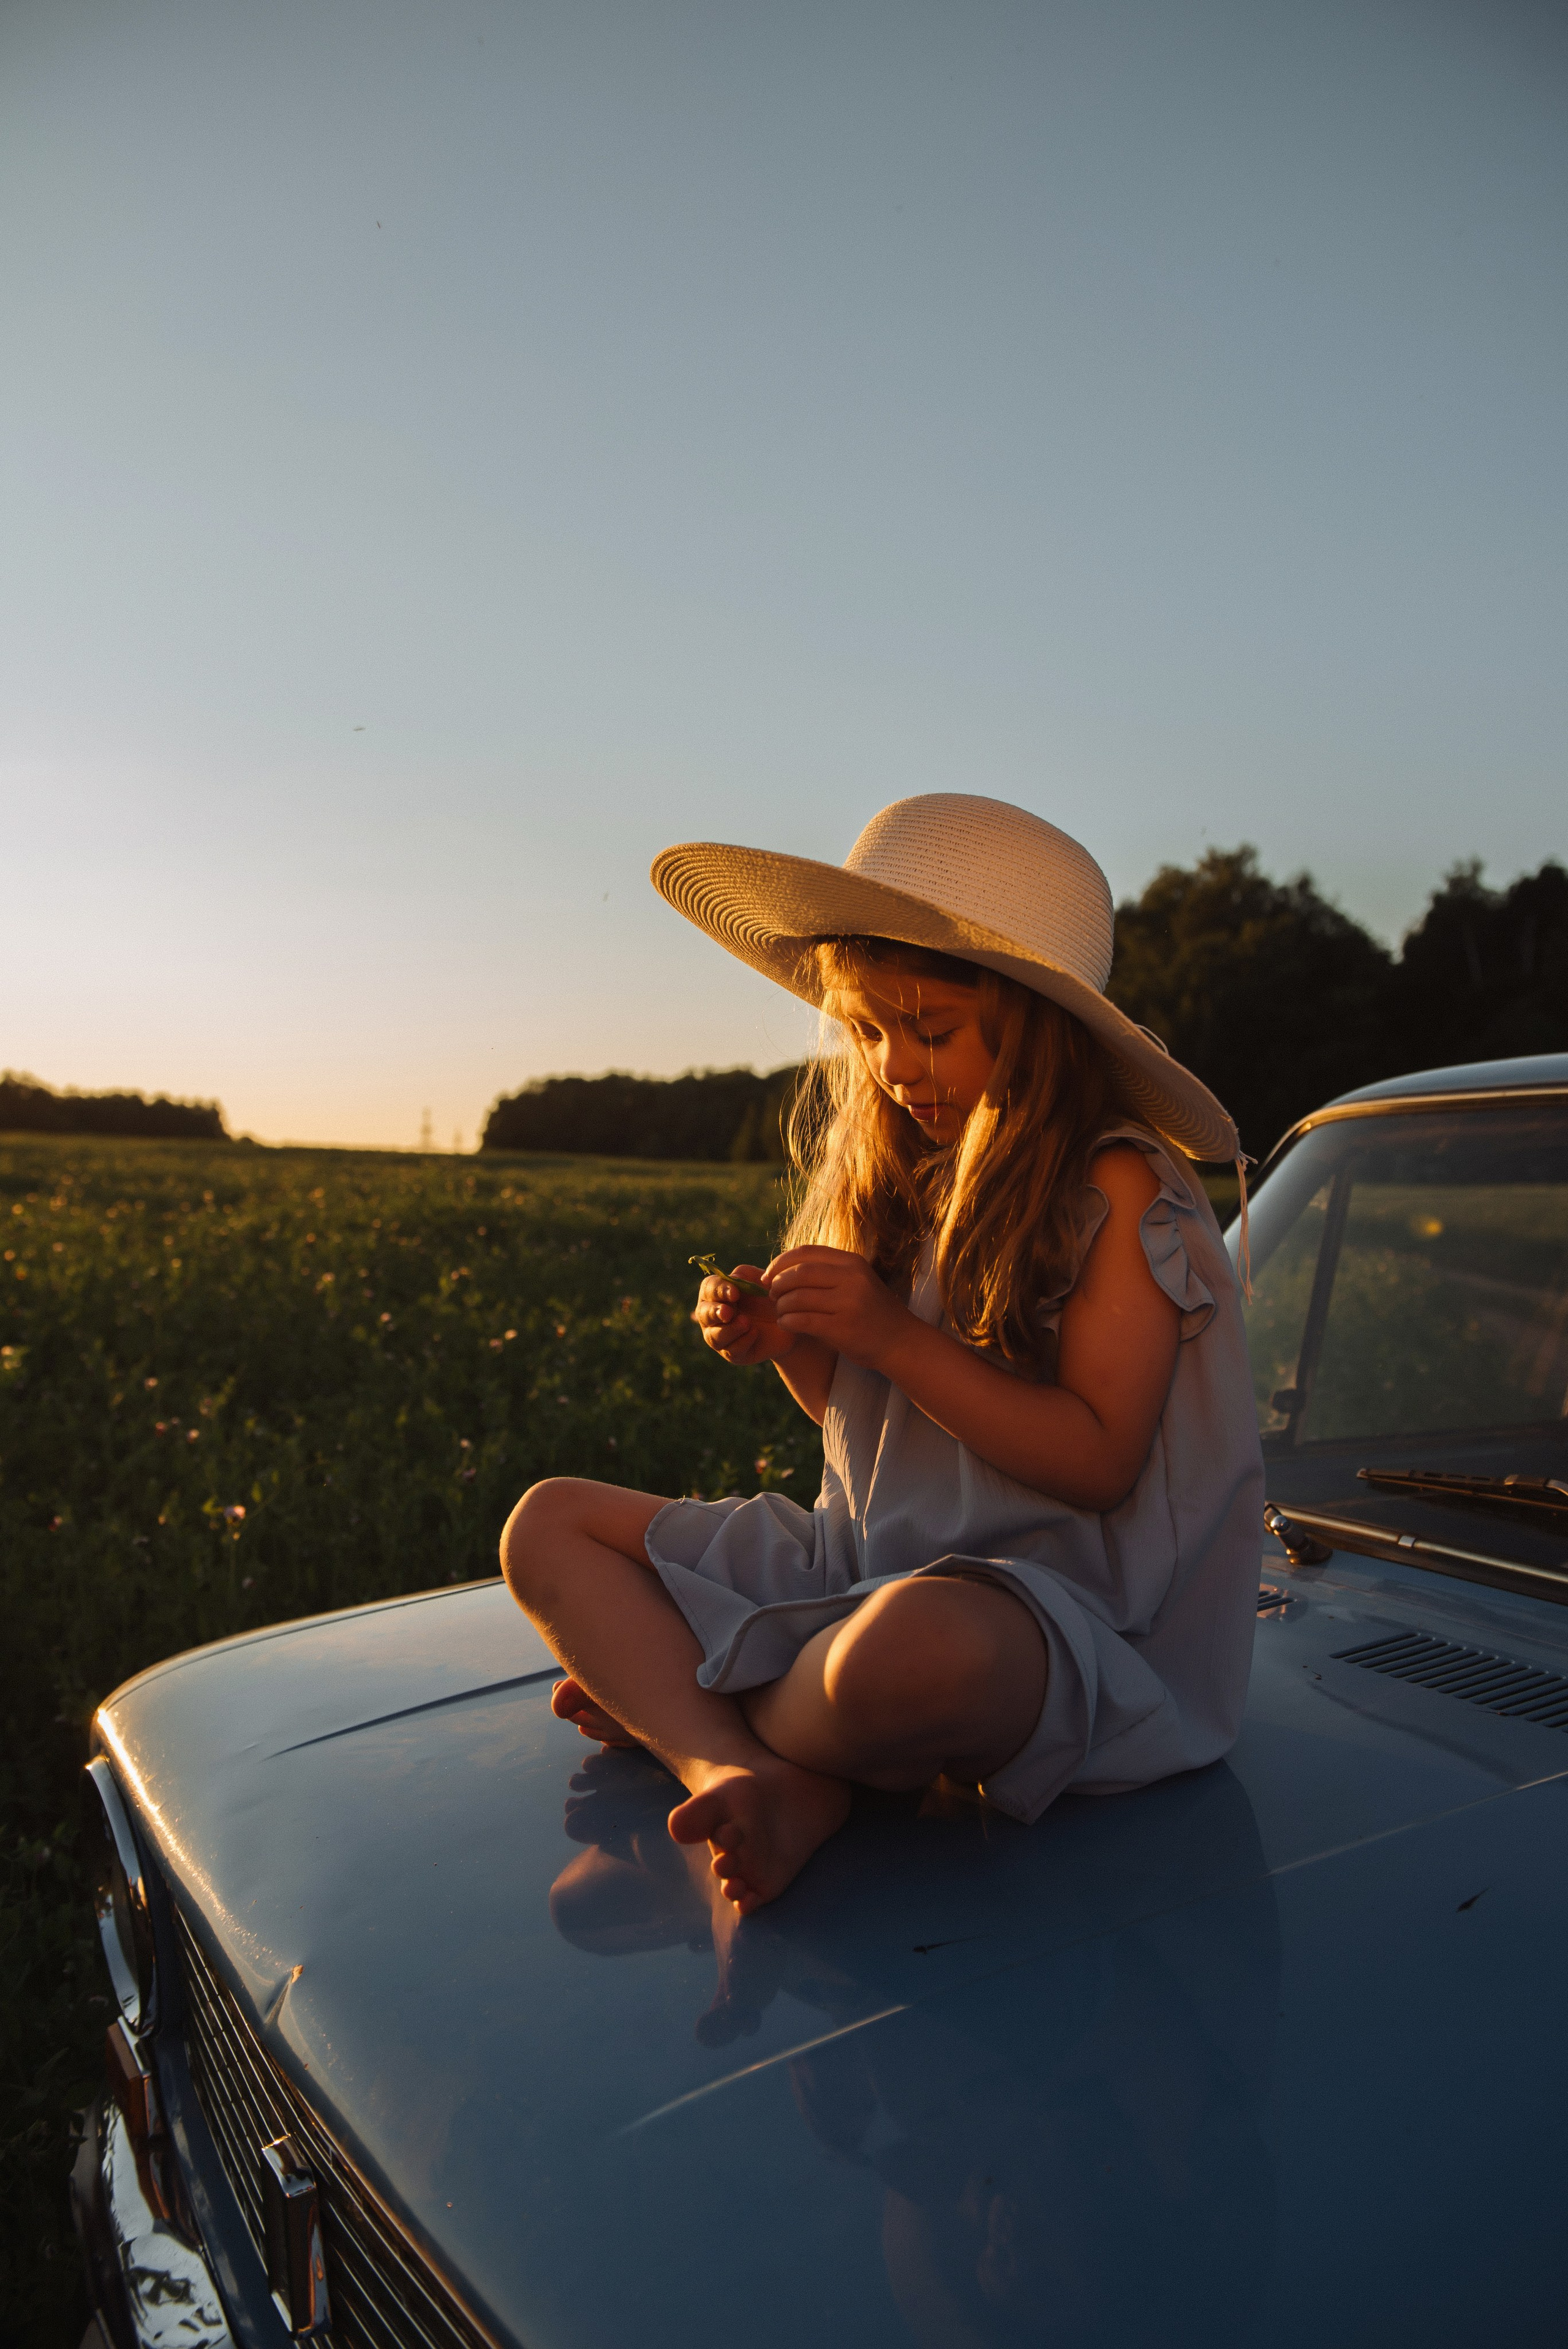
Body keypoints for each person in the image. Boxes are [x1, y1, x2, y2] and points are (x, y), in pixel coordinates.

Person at [500, 792, 1264, 1916]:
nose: (897, 1066)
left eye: (932, 1028)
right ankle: (742, 1765)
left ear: (1038, 1023)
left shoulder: (1118, 1187)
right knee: (546, 1524)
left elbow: (1100, 1461)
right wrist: (792, 1348)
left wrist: (892, 1336)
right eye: (866, 1030)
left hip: (1048, 1618)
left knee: (912, 1656)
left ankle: (706, 1700)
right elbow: (873, 1434)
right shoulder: (902, 1173)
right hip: (863, 1563)